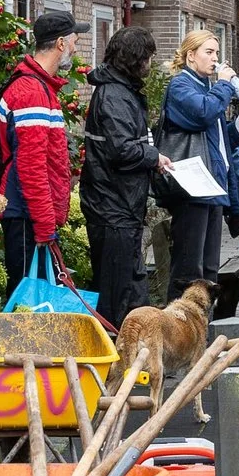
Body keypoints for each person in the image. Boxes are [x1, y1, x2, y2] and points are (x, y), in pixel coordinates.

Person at [81, 26, 168, 331]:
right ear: (135, 58)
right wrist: (153, 157)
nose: (150, 64)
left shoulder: (122, 91)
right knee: (117, 293)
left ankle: (133, 357)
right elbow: (120, 149)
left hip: (121, 205)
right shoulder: (115, 95)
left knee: (132, 289)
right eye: (147, 57)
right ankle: (116, 364)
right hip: (113, 206)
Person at [0, 9, 78, 294]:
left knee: (34, 297)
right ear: (60, 44)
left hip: (28, 212)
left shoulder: (39, 87)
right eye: (74, 41)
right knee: (25, 299)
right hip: (26, 214)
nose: (75, 48)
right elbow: (31, 166)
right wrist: (44, 223)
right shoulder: (32, 92)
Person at [160, 28, 239, 300]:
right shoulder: (181, 86)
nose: (215, 59)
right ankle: (178, 332)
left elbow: (218, 140)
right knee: (189, 268)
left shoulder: (208, 88)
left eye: (216, 53)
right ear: (190, 56)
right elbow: (203, 113)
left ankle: (201, 334)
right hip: (193, 187)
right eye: (208, 52)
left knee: (209, 269)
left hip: (213, 185)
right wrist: (223, 85)